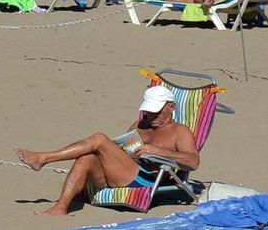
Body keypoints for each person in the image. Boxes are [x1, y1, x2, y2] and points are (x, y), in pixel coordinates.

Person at [15, 84, 199, 216]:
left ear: (172, 107)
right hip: (124, 172)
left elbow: (193, 162)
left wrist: (157, 151)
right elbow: (123, 150)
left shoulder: (180, 132)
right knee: (86, 157)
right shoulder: (141, 124)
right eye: (149, 111)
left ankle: (44, 158)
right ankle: (61, 207)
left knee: (99, 139)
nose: (151, 116)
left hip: (146, 180)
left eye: (157, 112)